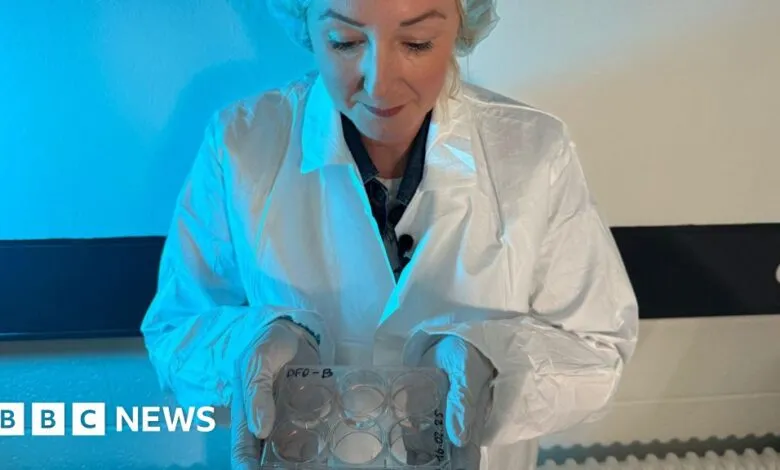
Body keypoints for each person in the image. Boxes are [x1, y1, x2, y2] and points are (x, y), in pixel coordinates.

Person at [140, 0, 639, 468]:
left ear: (462, 26)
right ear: (308, 26)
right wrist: (254, 342)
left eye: (417, 43)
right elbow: (176, 329)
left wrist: (495, 360)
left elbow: (597, 348)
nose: (380, 84)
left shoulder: (533, 153)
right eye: (344, 41)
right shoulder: (242, 144)